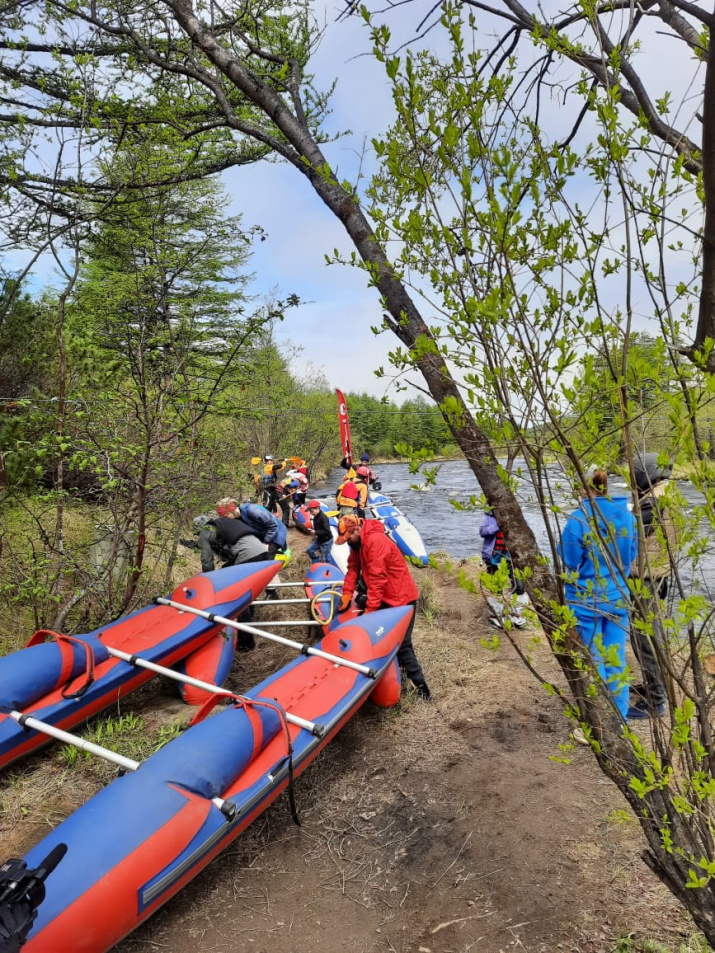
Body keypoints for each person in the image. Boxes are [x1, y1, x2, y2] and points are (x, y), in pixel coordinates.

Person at [558, 469, 637, 721]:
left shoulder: (578, 519)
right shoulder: (627, 515)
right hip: (618, 599)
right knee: (616, 658)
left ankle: (601, 721)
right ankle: (620, 717)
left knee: (593, 661)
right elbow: (631, 554)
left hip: (585, 602)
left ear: (583, 489)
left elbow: (570, 561)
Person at [335, 514, 431, 700]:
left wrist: (371, 612)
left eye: (348, 538)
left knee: (403, 644)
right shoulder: (358, 543)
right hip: (385, 597)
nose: (347, 542)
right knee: (363, 606)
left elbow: (378, 580)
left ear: (355, 529)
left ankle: (421, 687)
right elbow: (353, 568)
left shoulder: (375, 541)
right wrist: (347, 593)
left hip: (401, 599)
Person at [628, 453, 676, 719]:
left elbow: (627, 536)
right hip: (659, 575)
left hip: (646, 580)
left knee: (644, 639)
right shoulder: (668, 495)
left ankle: (656, 700)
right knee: (653, 634)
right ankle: (655, 687)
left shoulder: (652, 504)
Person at [479, 507, 527, 628]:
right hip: (493, 557)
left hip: (511, 557)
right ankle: (496, 615)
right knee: (496, 587)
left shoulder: (513, 518)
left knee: (519, 585)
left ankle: (516, 614)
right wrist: (497, 525)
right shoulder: (488, 518)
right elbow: (483, 532)